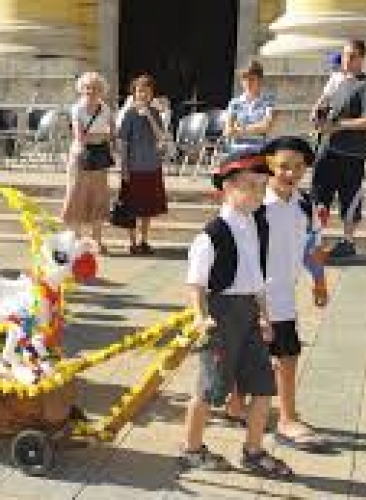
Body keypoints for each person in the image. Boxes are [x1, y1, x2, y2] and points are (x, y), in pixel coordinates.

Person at [180, 150, 293, 477]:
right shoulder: (211, 235)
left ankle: (253, 450)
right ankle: (191, 447)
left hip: (249, 313)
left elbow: (256, 280)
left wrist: (265, 316)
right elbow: (196, 284)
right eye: (250, 186)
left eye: (261, 186)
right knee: (209, 386)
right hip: (221, 312)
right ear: (227, 188)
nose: (258, 193)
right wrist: (200, 317)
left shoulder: (252, 226)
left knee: (262, 384)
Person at [223, 136, 330, 451]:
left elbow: (312, 248)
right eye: (283, 166)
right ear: (268, 164)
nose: (290, 173)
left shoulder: (306, 204)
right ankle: (275, 415)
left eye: (298, 167)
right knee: (270, 354)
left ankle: (267, 411)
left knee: (281, 354)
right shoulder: (254, 204)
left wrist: (319, 281)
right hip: (251, 295)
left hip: (283, 295)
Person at [311, 39, 366, 259]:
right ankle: (315, 240)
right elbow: (326, 106)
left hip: (351, 153)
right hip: (327, 149)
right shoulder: (337, 81)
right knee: (320, 195)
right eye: (345, 55)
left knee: (349, 198)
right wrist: (317, 112)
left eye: (353, 56)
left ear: (362, 58)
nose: (347, 59)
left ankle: (348, 241)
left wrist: (337, 126)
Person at [62, 71, 115, 253]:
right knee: (77, 196)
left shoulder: (106, 109)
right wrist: (99, 136)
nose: (91, 91)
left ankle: (97, 240)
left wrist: (97, 136)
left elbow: (112, 133)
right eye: (87, 88)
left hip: (100, 156)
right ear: (81, 89)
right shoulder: (76, 108)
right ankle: (75, 241)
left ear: (101, 90)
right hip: (81, 156)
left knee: (99, 197)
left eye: (95, 88)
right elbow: (79, 137)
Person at [116, 74, 168, 254]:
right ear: (134, 93)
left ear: (152, 93)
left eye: (147, 91)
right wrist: (123, 168)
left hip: (151, 166)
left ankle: (144, 240)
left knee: (147, 207)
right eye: (139, 91)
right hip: (134, 167)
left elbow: (161, 137)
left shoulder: (155, 113)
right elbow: (123, 143)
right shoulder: (129, 114)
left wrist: (150, 117)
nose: (143, 94)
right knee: (131, 207)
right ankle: (132, 243)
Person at [224, 61, 276, 154]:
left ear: (260, 80)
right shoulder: (234, 103)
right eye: (244, 79)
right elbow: (228, 130)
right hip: (236, 149)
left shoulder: (268, 101)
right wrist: (254, 128)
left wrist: (240, 129)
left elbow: (266, 126)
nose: (247, 83)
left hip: (259, 148)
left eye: (251, 79)